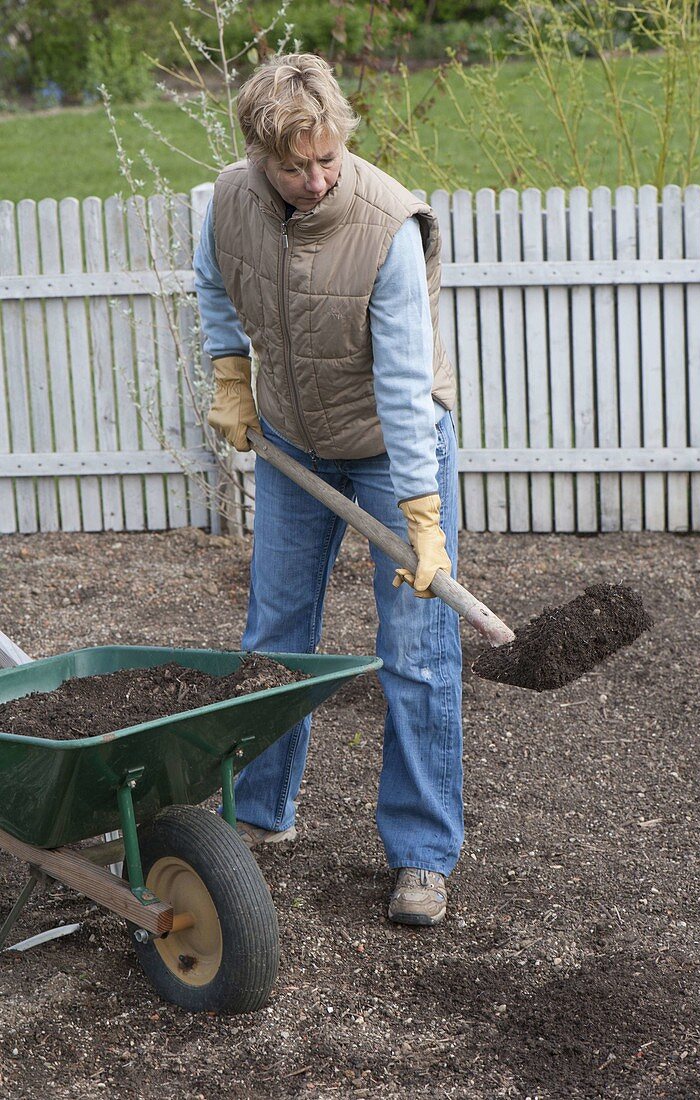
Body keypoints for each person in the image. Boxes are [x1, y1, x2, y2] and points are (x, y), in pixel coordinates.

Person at [193, 53, 462, 927]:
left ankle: (422, 856)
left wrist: (421, 516)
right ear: (259, 156)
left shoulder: (387, 226)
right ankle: (260, 819)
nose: (315, 179)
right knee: (273, 635)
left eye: (328, 160)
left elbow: (402, 382)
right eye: (294, 166)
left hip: (393, 450)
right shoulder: (229, 200)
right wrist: (232, 375)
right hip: (295, 446)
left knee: (416, 652)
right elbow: (215, 286)